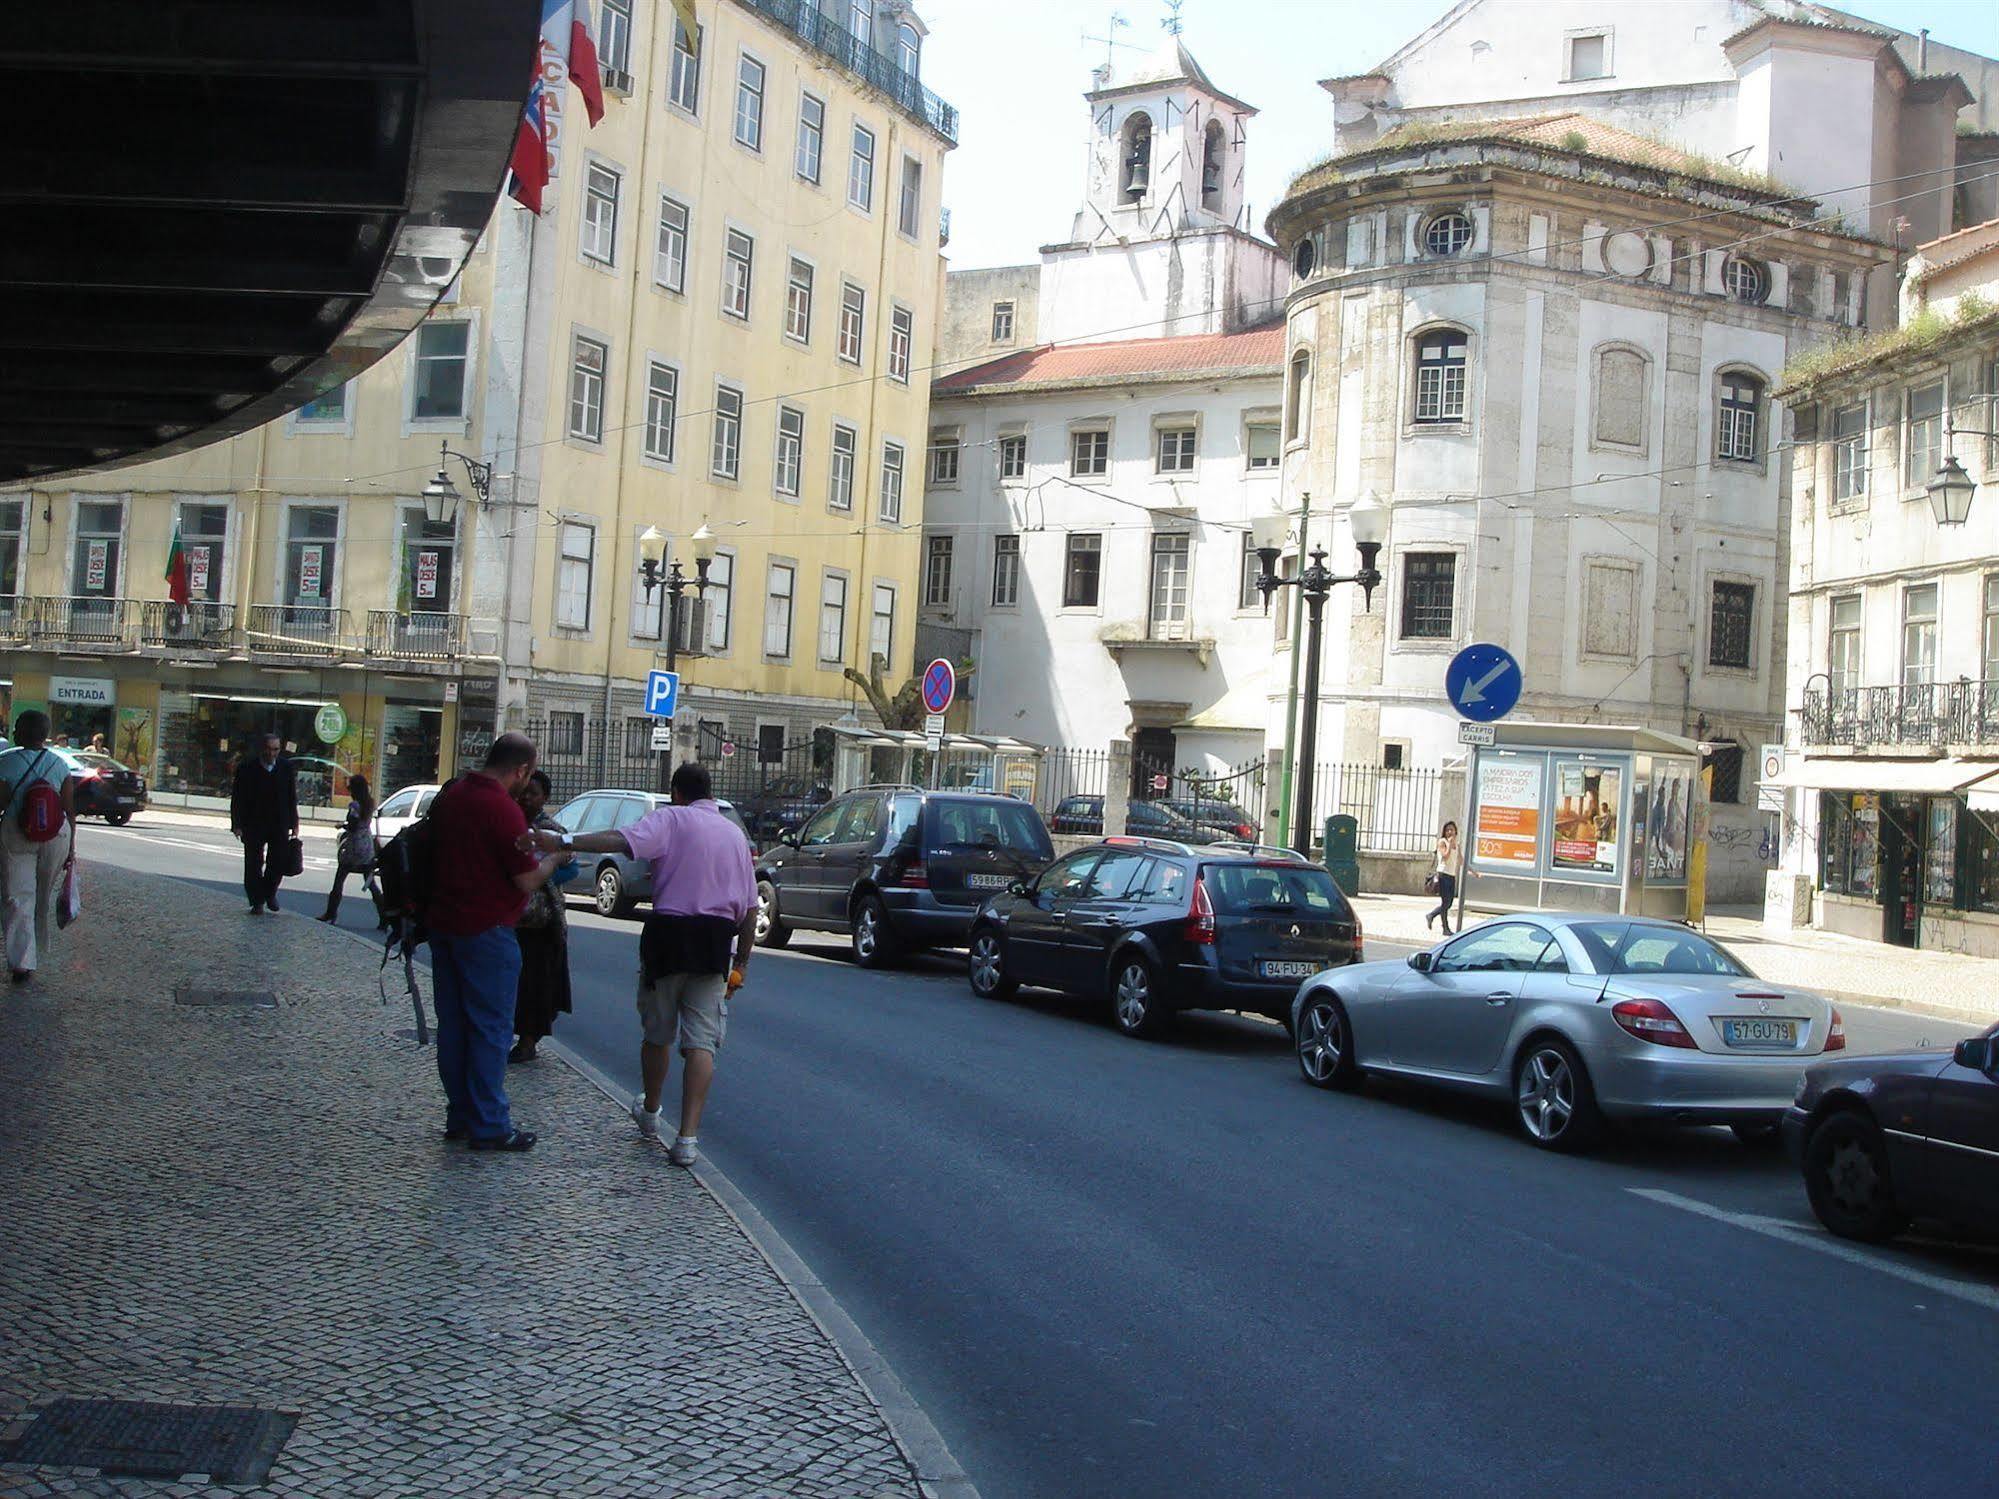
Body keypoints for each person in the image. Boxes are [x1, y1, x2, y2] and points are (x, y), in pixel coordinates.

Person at [526, 761, 755, 1168]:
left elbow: (619, 840)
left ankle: (650, 1111)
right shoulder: (735, 835)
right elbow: (751, 909)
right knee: (702, 1042)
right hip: (715, 943)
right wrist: (742, 961)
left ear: (677, 793)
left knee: (658, 1032)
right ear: (711, 793)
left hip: (668, 937)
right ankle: (687, 1139)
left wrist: (565, 839)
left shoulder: (669, 820)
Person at [426, 733, 567, 1152]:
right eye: (528, 774)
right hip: (487, 930)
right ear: (521, 770)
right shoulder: (500, 807)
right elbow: (526, 879)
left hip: (445, 926)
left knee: (454, 1027)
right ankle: (489, 1124)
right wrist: (555, 858)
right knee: (490, 1029)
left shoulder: (454, 794)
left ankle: (459, 1115)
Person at [0, 711, 76, 983]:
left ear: (19, 732)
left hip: (16, 834)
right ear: (45, 735)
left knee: (19, 896)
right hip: (56, 836)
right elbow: (69, 809)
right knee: (41, 896)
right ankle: (38, 949)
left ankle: (22, 962)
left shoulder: (5, 762)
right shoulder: (60, 764)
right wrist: (72, 849)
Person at [509, 770, 572, 1063]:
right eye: (523, 792)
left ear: (545, 798)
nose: (526, 798)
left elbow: (570, 868)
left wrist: (549, 869)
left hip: (541, 919)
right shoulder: (508, 823)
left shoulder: (553, 832)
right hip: (508, 918)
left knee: (536, 984)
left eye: (532, 793)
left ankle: (527, 1041)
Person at [231, 733, 299, 914]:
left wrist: (295, 822)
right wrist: (236, 823)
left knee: (277, 862)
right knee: (253, 863)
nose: (272, 753)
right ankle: (256, 900)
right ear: (262, 749)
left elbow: (292, 797)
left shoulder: (286, 767)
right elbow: (237, 797)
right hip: (253, 823)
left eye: (276, 749)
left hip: (279, 823)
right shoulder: (247, 767)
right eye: (269, 749)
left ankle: (269, 893)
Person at [319, 773, 381, 926]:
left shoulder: (355, 806)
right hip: (366, 845)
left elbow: (353, 825)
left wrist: (343, 825)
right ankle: (384, 916)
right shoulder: (369, 803)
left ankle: (330, 912)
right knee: (371, 883)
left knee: (339, 879)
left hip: (354, 846)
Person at [1426, 819, 1461, 935]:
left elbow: (1460, 860)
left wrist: (1473, 872)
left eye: (1452, 830)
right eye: (1447, 830)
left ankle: (1431, 915)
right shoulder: (1442, 842)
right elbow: (1445, 857)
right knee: (1445, 902)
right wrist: (1449, 845)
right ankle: (1445, 928)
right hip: (1443, 875)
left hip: (1452, 876)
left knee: (1449, 903)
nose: (1450, 832)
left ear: (1456, 831)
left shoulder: (1457, 845)